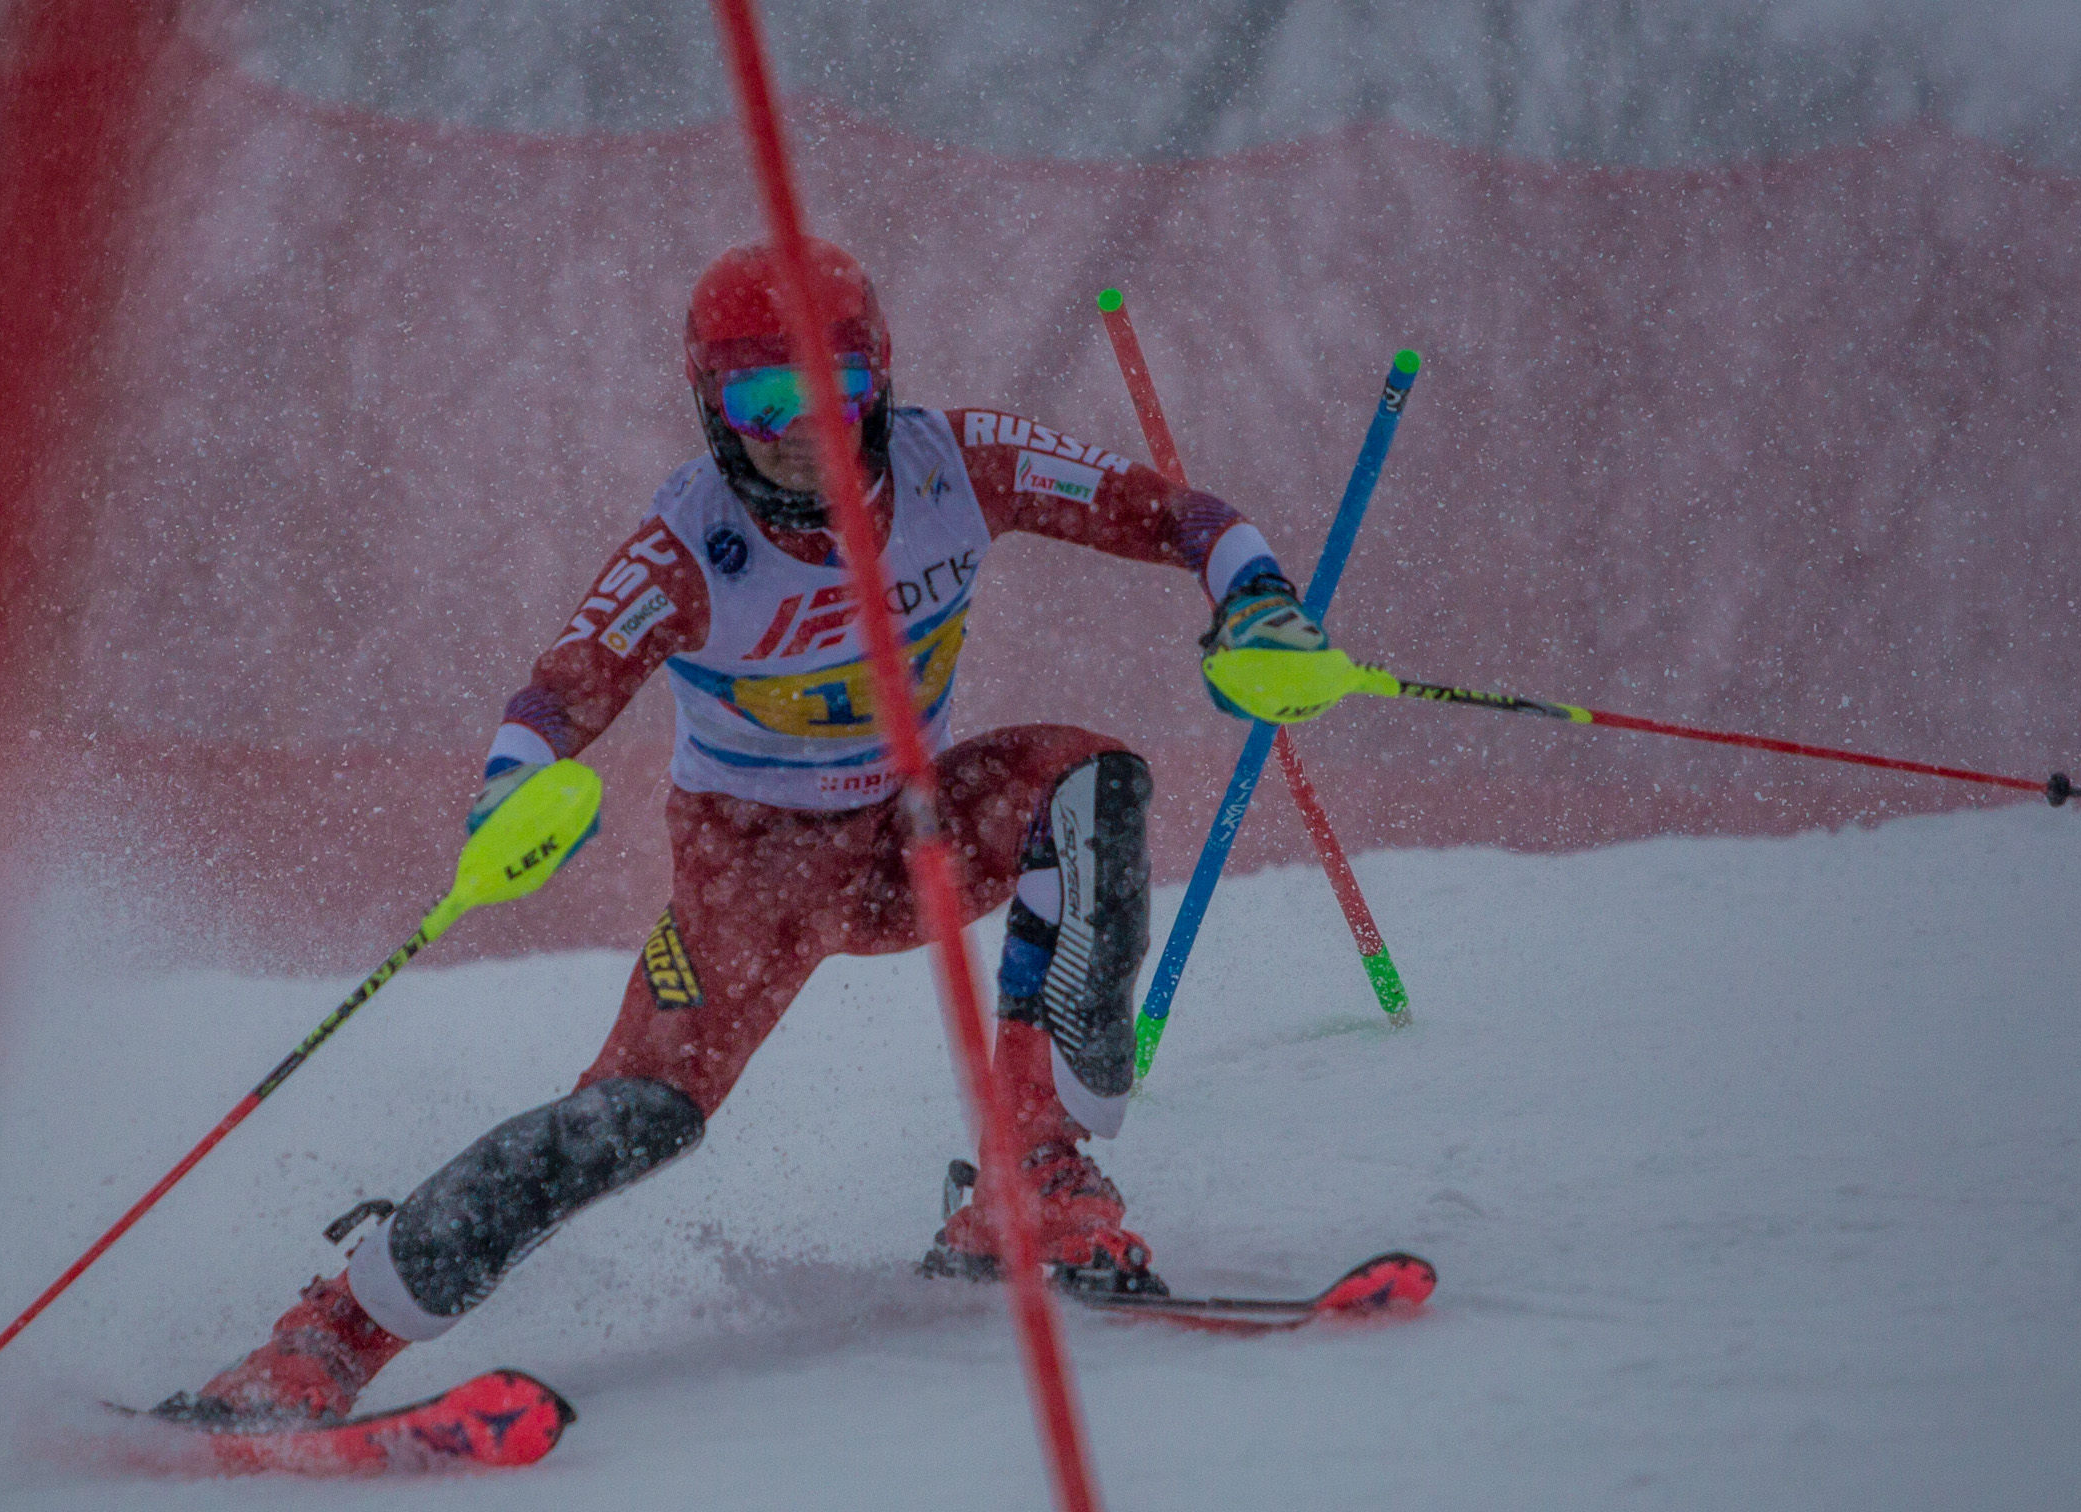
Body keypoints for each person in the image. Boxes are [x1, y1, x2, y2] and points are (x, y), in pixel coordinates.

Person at [160, 237, 1353, 1430]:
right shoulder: (691, 540)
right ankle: (325, 1339)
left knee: (1094, 787)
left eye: (836, 390)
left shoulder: (962, 464)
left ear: (879, 378)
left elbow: (1179, 514)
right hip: (751, 885)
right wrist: (509, 794)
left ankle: (1028, 1181)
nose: (805, 430)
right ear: (713, 409)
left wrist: (1255, 601)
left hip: (912, 834)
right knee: (632, 1120)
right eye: (763, 400)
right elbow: (561, 690)